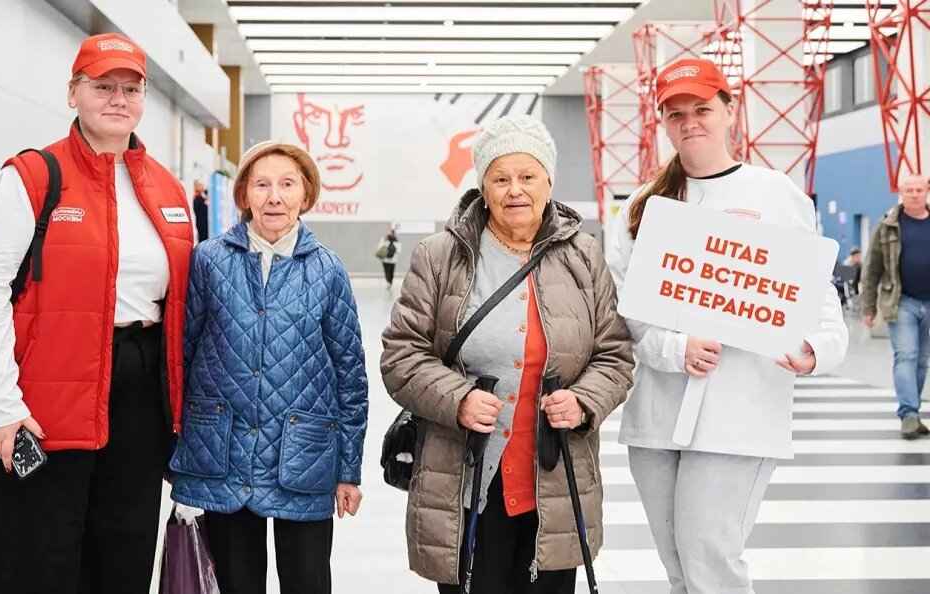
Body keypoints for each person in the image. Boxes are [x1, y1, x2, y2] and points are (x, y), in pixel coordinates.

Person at [0, 33, 193, 594]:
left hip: (138, 398)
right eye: (102, 86)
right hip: (42, 401)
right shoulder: (33, 176)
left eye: (131, 89)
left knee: (123, 556)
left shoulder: (166, 188)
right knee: (37, 561)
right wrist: (0, 405)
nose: (118, 99)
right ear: (73, 93)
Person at [604, 58, 849, 594]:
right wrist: (675, 348)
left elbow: (814, 290)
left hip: (741, 410)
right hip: (658, 416)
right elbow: (623, 310)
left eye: (702, 109)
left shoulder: (774, 194)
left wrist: (817, 346)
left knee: (710, 562)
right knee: (679, 569)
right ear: (663, 122)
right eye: (676, 114)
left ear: (730, 111)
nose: (689, 122)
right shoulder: (643, 206)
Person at [381, 114, 635, 593]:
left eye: (527, 176)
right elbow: (401, 355)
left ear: (549, 183)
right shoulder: (440, 256)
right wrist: (457, 398)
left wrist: (584, 400)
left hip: (556, 480)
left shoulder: (584, 256)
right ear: (483, 187)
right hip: (467, 478)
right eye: (500, 178)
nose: (515, 190)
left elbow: (614, 354)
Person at [169, 141, 369, 594]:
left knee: (307, 582)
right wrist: (176, 447)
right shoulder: (208, 260)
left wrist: (348, 469)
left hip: (304, 455)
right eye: (261, 185)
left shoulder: (328, 270)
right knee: (236, 582)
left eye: (287, 184)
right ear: (244, 194)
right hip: (223, 453)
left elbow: (350, 376)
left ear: (306, 194)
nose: (274, 197)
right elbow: (182, 355)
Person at [861, 174, 930, 439]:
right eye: (909, 190)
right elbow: (872, 269)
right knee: (906, 356)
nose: (914, 194)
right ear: (901, 193)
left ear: (926, 191)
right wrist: (868, 307)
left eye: (918, 190)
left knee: (921, 362)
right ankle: (909, 414)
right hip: (901, 302)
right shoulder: (887, 226)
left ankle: (914, 411)